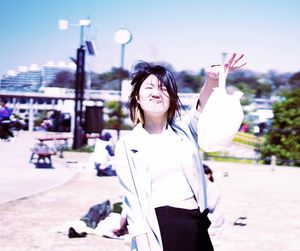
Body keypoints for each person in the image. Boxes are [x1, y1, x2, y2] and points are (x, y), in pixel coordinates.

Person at [114, 53, 246, 251]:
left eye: (163, 88)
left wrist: (212, 79)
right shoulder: (128, 145)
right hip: (162, 226)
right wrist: (142, 246)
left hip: (196, 221)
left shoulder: (185, 130)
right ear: (137, 98)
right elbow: (133, 204)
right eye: (149, 88)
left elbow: (201, 108)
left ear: (172, 98)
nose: (156, 93)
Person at [203, 164, 225, 247]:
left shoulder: (213, 187)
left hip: (214, 221)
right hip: (210, 220)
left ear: (208, 175)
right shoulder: (206, 187)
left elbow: (211, 206)